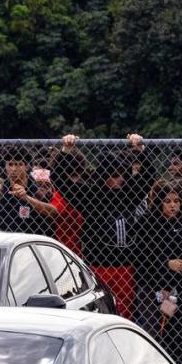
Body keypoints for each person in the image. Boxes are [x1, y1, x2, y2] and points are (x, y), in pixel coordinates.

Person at [53, 134, 152, 319]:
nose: (119, 181)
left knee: (125, 313)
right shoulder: (91, 195)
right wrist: (66, 151)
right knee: (100, 311)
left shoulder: (129, 194)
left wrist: (140, 151)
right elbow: (59, 180)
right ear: (104, 175)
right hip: (98, 265)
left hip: (125, 267)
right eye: (114, 176)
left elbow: (148, 177)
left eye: (122, 175)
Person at [135, 183, 182, 362]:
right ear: (159, 202)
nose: (173, 205)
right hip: (154, 286)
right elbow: (142, 257)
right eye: (167, 201)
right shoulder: (147, 223)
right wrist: (166, 263)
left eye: (176, 201)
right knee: (157, 333)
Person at [0, 145, 56, 235]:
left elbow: (53, 213)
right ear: (5, 166)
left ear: (26, 166)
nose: (13, 169)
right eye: (10, 164)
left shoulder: (39, 191)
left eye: (19, 164)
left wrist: (27, 198)